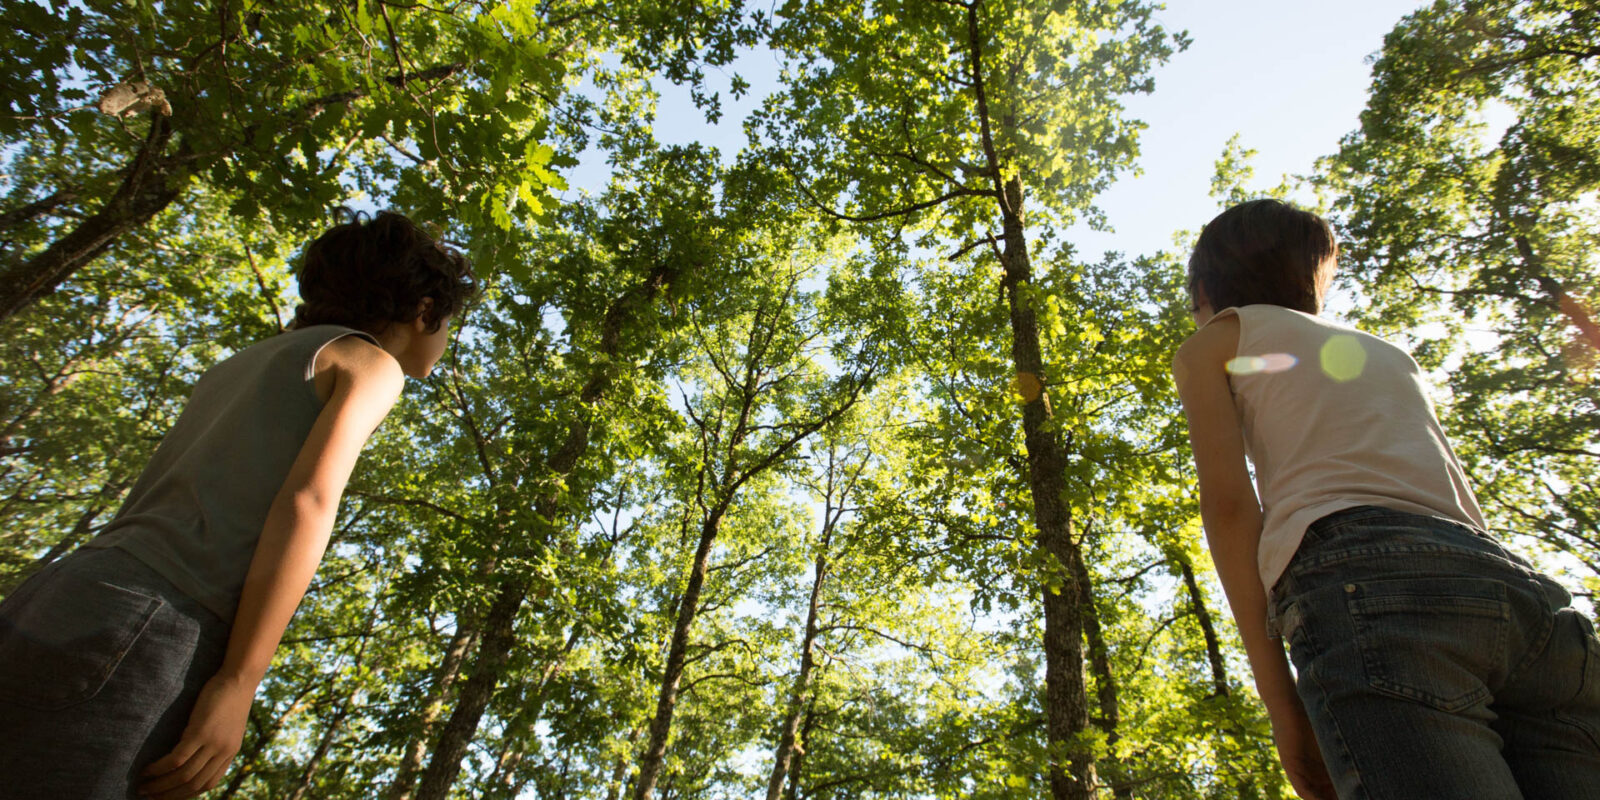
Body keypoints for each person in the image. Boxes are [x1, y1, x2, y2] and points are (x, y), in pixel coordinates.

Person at [0, 210, 475, 799]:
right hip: (151, 622)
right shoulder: (370, 363)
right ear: (425, 309)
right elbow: (308, 502)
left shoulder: (248, 362)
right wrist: (240, 680)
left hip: (62, 589)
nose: (448, 336)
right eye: (450, 320)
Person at [1171, 198, 1600, 799]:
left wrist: (1282, 705)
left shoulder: (1218, 341)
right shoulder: (1391, 354)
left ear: (1207, 288)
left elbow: (1229, 508)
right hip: (1526, 602)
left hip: (1369, 589)